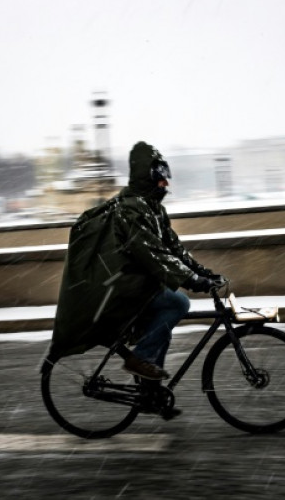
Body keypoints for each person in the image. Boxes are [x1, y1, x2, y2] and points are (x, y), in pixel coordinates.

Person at [49, 141, 225, 390]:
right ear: (148, 176)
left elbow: (174, 249)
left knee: (162, 327)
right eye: (161, 177)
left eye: (167, 177)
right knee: (178, 303)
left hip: (134, 283)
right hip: (120, 287)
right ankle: (140, 359)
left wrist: (201, 272)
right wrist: (192, 281)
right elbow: (153, 254)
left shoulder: (153, 209)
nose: (166, 183)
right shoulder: (132, 210)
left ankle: (150, 389)